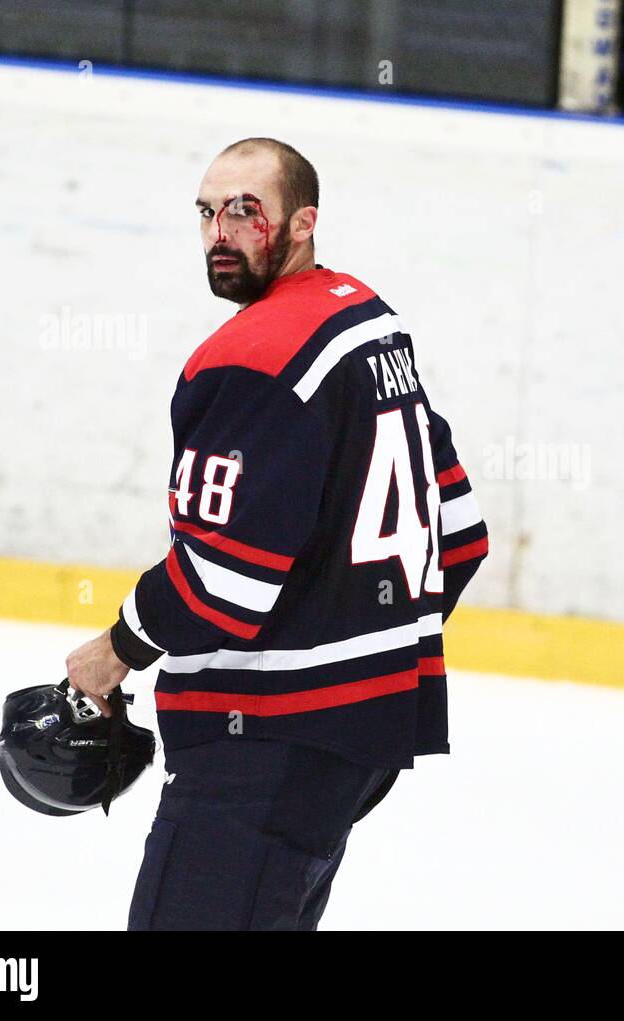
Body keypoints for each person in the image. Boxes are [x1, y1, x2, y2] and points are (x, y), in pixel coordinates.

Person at [64, 137, 488, 930]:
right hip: (357, 743)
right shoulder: (370, 323)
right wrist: (363, 648)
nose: (220, 232)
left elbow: (220, 584)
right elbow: (459, 535)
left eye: (245, 212)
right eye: (207, 212)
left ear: (302, 222)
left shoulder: (251, 358)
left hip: (260, 743)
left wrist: (110, 651)